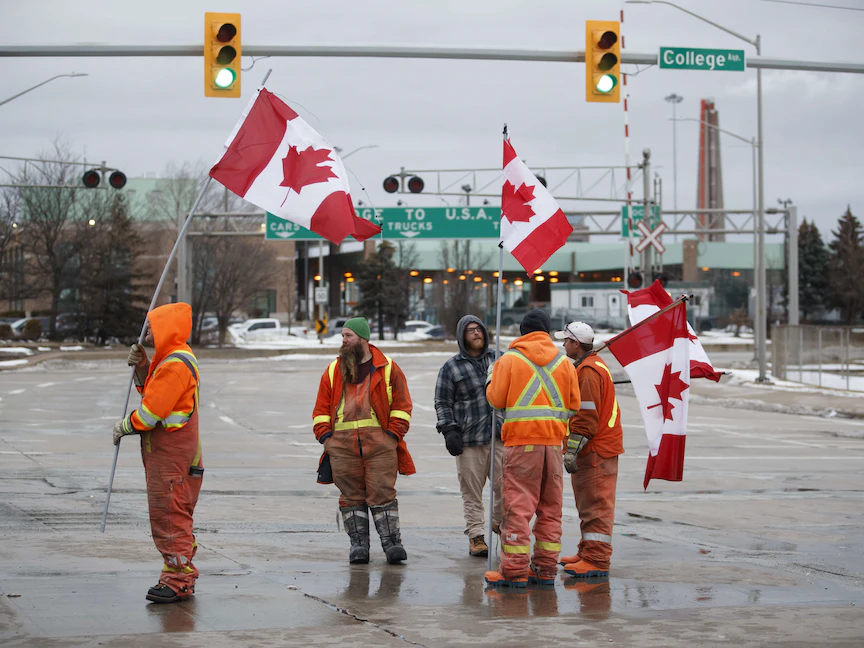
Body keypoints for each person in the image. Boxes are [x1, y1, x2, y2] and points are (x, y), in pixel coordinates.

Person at [112, 303, 204, 604]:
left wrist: (124, 426)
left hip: (171, 458)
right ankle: (177, 575)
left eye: (152, 325)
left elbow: (151, 413)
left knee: (169, 517)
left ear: (166, 328)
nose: (147, 330)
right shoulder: (170, 359)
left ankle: (178, 581)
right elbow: (155, 394)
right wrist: (142, 368)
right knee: (172, 516)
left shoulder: (175, 364)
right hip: (171, 456)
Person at [484, 309, 580, 588]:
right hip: (553, 446)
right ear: (547, 332)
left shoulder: (509, 360)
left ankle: (513, 571)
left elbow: (495, 400)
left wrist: (491, 377)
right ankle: (546, 569)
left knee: (518, 508)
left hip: (521, 445)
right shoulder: (564, 363)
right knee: (550, 509)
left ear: (522, 331)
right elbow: (573, 405)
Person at [312, 317, 415, 565]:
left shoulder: (388, 368)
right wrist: (326, 437)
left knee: (382, 493)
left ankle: (392, 545)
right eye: (343, 336)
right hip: (343, 447)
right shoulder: (333, 370)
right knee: (351, 497)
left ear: (363, 338)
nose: (344, 340)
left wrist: (393, 435)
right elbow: (321, 410)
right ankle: (359, 547)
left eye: (348, 336)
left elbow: (402, 405)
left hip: (381, 447)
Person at [554, 321, 624, 579]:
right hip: (597, 448)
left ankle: (596, 559)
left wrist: (571, 450)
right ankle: (587, 551)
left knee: (596, 505)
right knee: (588, 503)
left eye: (566, 341)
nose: (563, 345)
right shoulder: (590, 366)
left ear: (575, 343)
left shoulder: (588, 371)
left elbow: (585, 417)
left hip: (596, 449)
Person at [434, 315, 503, 558]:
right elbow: (443, 401)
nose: (475, 333)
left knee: (505, 488)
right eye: (470, 330)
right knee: (472, 493)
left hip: (500, 436)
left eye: (479, 329)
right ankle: (476, 536)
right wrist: (449, 429)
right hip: (469, 439)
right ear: (462, 336)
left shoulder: (500, 359)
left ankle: (500, 523)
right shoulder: (451, 367)